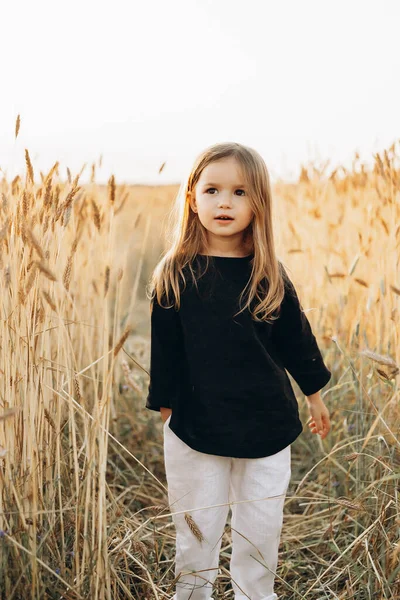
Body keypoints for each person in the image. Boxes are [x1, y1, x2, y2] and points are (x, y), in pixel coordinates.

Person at [145, 142, 331, 600]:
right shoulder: (175, 273)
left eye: (240, 192)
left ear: (258, 205)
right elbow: (165, 351)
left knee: (260, 529)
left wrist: (314, 394)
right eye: (212, 189)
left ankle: (255, 595)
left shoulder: (268, 272)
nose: (224, 202)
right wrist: (169, 412)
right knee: (197, 528)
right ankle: (192, 594)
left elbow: (296, 340)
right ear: (193, 198)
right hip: (194, 425)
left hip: (265, 423)